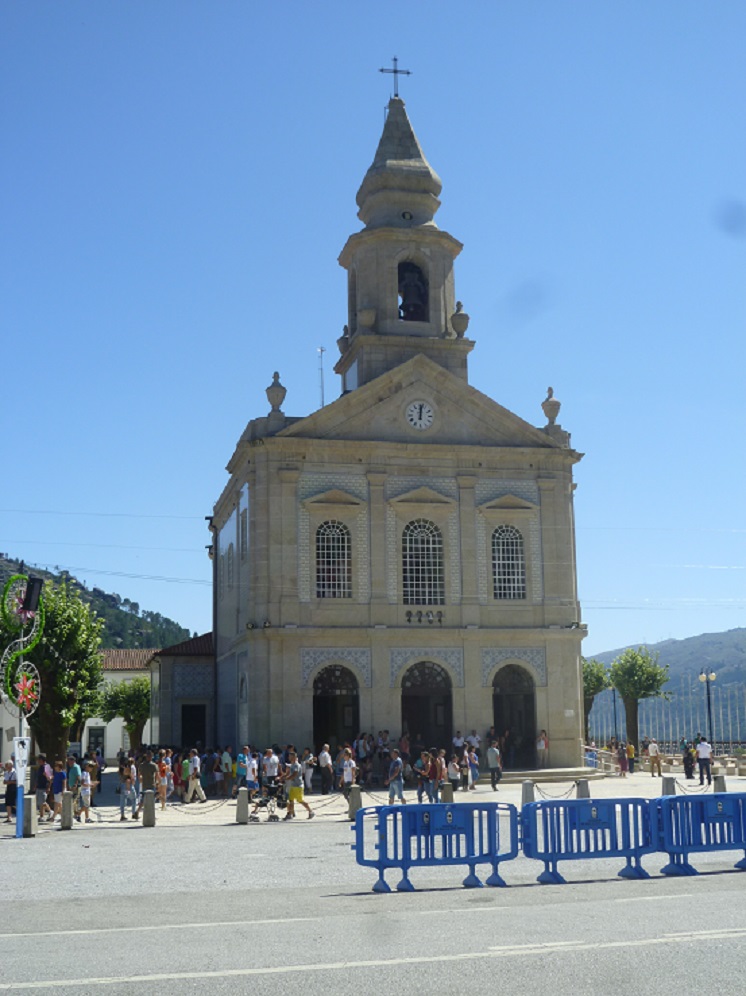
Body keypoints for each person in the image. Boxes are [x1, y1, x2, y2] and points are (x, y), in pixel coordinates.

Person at [282, 751, 315, 821]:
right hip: (293, 785)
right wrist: (281, 777)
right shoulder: (292, 765)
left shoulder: (296, 765)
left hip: (298, 786)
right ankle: (290, 813)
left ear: (293, 757)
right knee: (290, 800)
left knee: (300, 800)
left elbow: (294, 774)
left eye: (290, 756)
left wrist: (287, 778)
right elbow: (288, 773)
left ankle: (311, 811)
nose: (289, 758)